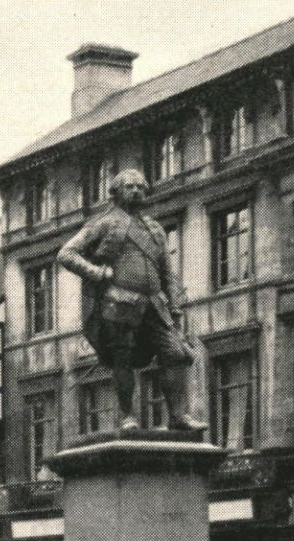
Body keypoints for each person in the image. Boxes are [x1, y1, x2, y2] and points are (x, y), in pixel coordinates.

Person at [56, 168, 207, 432]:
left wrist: (174, 305)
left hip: (155, 303)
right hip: (120, 302)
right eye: (129, 186)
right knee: (122, 360)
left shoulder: (155, 230)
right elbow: (66, 253)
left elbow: (167, 272)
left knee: (175, 353)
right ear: (116, 193)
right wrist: (97, 272)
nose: (136, 190)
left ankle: (177, 416)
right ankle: (127, 416)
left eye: (140, 186)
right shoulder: (104, 223)